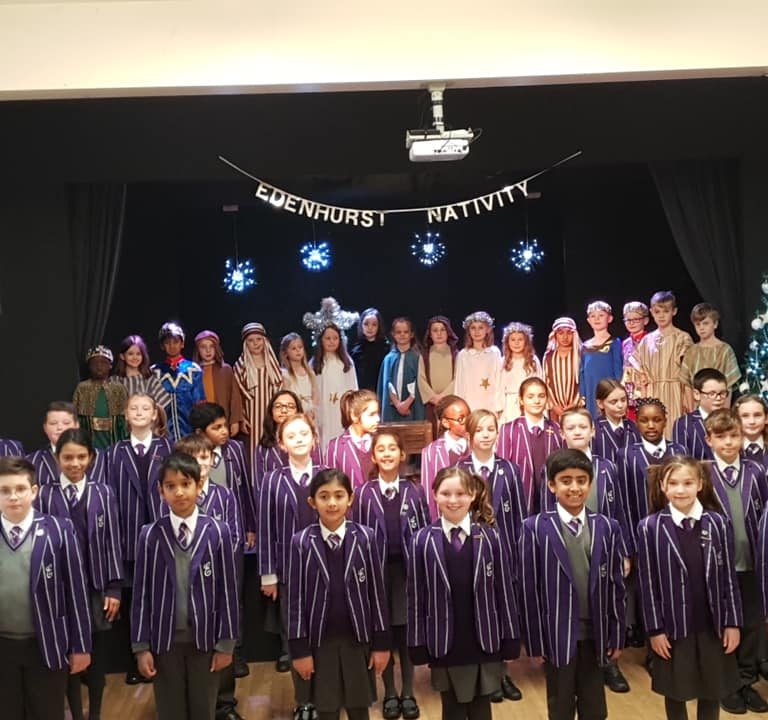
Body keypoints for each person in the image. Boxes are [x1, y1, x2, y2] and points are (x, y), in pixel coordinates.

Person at [131, 452, 239, 720]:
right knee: (170, 711)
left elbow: (228, 591)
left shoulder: (218, 531)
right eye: (170, 486)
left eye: (185, 484)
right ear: (160, 491)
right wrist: (141, 646)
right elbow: (141, 595)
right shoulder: (149, 535)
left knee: (203, 709)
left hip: (205, 640)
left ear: (199, 485)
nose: (179, 492)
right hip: (164, 643)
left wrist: (226, 644)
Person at [519, 448, 626, 720]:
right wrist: (534, 642)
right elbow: (529, 589)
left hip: (596, 631)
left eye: (581, 480)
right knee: (561, 703)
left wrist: (616, 633)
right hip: (557, 633)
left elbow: (616, 586)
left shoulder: (607, 526)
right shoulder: (534, 528)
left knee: (594, 705)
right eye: (566, 481)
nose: (575, 487)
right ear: (552, 485)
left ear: (590, 484)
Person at [408, 466, 520, 720]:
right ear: (434, 495)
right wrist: (416, 641)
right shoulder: (422, 540)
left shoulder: (491, 537)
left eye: (460, 493)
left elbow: (504, 590)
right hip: (445, 641)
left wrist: (511, 635)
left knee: (481, 707)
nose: (453, 500)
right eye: (446, 493)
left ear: (472, 495)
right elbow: (416, 596)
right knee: (453, 709)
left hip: (483, 637)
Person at [638, 456, 741, 720]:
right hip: (673, 630)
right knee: (676, 692)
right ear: (663, 486)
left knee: (711, 690)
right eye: (673, 483)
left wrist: (732, 623)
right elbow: (647, 584)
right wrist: (655, 630)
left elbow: (729, 576)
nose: (680, 490)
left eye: (687, 483)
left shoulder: (718, 523)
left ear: (700, 484)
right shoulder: (650, 527)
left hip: (713, 626)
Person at [542, 407, 633, 694]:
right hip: (567, 544)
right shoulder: (553, 466)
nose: (578, 431)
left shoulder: (607, 466)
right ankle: (565, 660)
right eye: (571, 427)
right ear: (563, 432)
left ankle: (609, 663)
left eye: (583, 426)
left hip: (603, 545)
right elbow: (544, 509)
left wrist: (624, 550)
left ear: (593, 430)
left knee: (606, 600)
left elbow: (620, 509)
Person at [288, 468, 391, 720]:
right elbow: (294, 601)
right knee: (326, 708)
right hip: (319, 643)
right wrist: (299, 650)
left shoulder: (366, 538)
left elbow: (377, 594)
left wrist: (382, 644)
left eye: (338, 495)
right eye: (324, 496)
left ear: (350, 498)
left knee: (359, 708)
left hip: (358, 640)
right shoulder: (301, 542)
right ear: (312, 502)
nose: (332, 503)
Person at [37, 429, 123, 720]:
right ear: (56, 458)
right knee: (68, 659)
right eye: (68, 457)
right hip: (59, 590)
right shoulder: (45, 494)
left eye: (81, 457)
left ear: (92, 457)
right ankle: (73, 711)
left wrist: (113, 589)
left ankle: (95, 714)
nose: (75, 463)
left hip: (95, 588)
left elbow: (113, 541)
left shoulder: (103, 492)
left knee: (96, 660)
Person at [0, 456, 92, 720]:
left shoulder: (59, 530)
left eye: (19, 489)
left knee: (47, 712)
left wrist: (81, 645)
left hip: (47, 643)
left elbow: (76, 591)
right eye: (5, 491)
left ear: (34, 491)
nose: (13, 497)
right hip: (3, 646)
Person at [353, 430, 430, 720]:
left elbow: (423, 533)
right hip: (376, 574)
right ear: (373, 456)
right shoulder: (362, 494)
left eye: (392, 449)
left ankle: (408, 691)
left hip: (406, 574)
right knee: (381, 632)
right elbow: (358, 536)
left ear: (402, 454)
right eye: (380, 449)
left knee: (405, 632)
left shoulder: (415, 491)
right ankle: (389, 692)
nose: (386, 454)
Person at [456, 409, 526, 703]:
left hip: (503, 551)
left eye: (491, 429)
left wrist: (518, 553)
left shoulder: (509, 469)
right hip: (472, 553)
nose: (486, 435)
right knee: (475, 612)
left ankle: (503, 672)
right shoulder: (459, 470)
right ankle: (483, 675)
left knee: (501, 611)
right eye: (480, 430)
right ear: (469, 435)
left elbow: (520, 515)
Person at [174, 433, 245, 720]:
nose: (200, 463)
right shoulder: (174, 497)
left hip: (216, 583)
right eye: (193, 458)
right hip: (182, 584)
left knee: (222, 641)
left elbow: (235, 536)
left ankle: (225, 703)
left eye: (205, 457)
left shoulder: (224, 495)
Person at [259, 414, 325, 715]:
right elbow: (267, 528)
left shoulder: (327, 475)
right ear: (282, 444)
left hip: (327, 569)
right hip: (289, 571)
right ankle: (304, 701)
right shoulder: (273, 479)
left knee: (325, 635)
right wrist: (268, 574)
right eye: (291, 436)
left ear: (314, 438)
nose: (299, 439)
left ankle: (326, 695)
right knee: (296, 637)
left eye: (304, 434)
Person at [703, 409, 768, 714]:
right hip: (717, 567)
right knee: (724, 625)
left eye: (734, 435)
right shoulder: (701, 475)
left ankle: (746, 679)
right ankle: (727, 684)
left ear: (742, 438)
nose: (728, 442)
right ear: (709, 440)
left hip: (752, 564)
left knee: (752, 624)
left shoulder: (756, 472)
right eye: (721, 436)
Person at [106, 391, 173, 685]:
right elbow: (109, 498)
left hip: (163, 538)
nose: (140, 411)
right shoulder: (114, 452)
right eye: (134, 407)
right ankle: (138, 658)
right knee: (135, 600)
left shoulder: (168, 448)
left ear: (155, 414)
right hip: (129, 538)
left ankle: (166, 656)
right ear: (125, 415)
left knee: (166, 596)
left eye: (146, 407)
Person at [616, 397, 686, 649]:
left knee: (675, 584)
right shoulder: (626, 454)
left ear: (665, 420)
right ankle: (650, 641)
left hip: (677, 533)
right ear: (637, 424)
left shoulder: (679, 451)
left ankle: (677, 635)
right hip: (642, 532)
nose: (651, 426)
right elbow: (622, 500)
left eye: (657, 420)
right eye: (644, 420)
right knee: (648, 585)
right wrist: (628, 541)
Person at [188, 402, 256, 553]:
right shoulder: (188, 453)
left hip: (233, 525)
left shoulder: (235, 449)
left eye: (224, 425)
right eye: (216, 428)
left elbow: (245, 488)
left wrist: (251, 527)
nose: (224, 431)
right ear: (200, 432)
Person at [630, 291, 694, 437]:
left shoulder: (682, 338)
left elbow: (688, 372)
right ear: (652, 312)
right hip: (653, 393)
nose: (661, 315)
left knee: (674, 431)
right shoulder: (647, 340)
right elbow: (639, 371)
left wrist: (687, 399)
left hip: (675, 392)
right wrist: (643, 397)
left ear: (674, 311)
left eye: (666, 311)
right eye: (657, 311)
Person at [497, 377, 564, 515]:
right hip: (520, 499)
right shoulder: (509, 429)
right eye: (530, 396)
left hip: (550, 498)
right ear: (521, 400)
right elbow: (503, 468)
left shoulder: (556, 428)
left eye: (541, 396)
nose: (536, 401)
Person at [233, 322, 283, 463]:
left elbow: (279, 388)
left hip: (272, 415)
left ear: (265, 341)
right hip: (252, 418)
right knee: (254, 454)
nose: (255, 343)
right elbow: (237, 395)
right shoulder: (240, 366)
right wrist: (241, 417)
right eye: (251, 340)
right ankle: (256, 484)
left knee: (274, 450)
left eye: (259, 339)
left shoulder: (273, 364)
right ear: (245, 344)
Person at [27, 401, 106, 485]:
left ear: (77, 425)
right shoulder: (31, 461)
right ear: (45, 428)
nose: (60, 427)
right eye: (53, 423)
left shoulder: (101, 457)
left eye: (66, 423)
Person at [679, 303, 741, 409]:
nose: (701, 328)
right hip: (697, 407)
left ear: (715, 324)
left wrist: (725, 411)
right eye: (698, 324)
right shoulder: (691, 352)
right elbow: (687, 385)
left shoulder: (725, 350)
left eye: (705, 323)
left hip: (719, 405)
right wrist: (691, 412)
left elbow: (729, 385)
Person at [151, 322, 205, 441]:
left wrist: (200, 427)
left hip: (189, 429)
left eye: (175, 342)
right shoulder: (155, 372)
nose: (172, 346)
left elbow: (199, 401)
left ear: (182, 344)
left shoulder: (193, 369)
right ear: (162, 346)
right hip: (163, 431)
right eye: (167, 343)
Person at [255, 390, 323, 486]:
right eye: (278, 406)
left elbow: (320, 474)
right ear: (271, 411)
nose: (284, 410)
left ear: (298, 411)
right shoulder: (263, 445)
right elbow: (260, 484)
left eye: (290, 406)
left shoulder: (308, 440)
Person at [420, 395, 471, 519]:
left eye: (469, 416)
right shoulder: (431, 452)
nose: (468, 422)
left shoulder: (475, 446)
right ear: (445, 422)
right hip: (443, 518)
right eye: (461, 419)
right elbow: (428, 492)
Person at [311, 323, 358, 451]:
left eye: (335, 338)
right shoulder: (315, 364)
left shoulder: (346, 363)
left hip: (341, 411)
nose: (332, 341)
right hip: (324, 411)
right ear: (321, 340)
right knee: (325, 440)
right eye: (328, 338)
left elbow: (353, 388)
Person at [72, 345, 128, 447]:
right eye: (94, 363)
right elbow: (75, 417)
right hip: (90, 441)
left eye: (103, 362)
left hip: (114, 441)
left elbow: (125, 420)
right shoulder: (82, 388)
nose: (99, 366)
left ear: (110, 365)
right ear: (89, 366)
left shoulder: (119, 388)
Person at [326, 390, 381, 489]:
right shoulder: (336, 447)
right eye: (372, 414)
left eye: (377, 413)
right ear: (354, 416)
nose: (378, 419)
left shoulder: (381, 442)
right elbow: (330, 485)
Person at [193, 330, 243, 438]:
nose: (208, 350)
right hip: (202, 421)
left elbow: (234, 396)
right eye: (203, 347)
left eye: (211, 346)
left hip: (222, 421)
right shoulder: (193, 371)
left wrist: (235, 421)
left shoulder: (225, 370)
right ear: (198, 350)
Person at [672, 368, 729, 460]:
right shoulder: (684, 424)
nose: (718, 398)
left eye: (722, 393)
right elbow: (681, 461)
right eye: (712, 393)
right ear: (697, 394)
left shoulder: (731, 420)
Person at [579, 302, 623, 420]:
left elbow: (618, 370)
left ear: (610, 318)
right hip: (590, 391)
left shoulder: (614, 343)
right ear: (588, 320)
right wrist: (582, 395)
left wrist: (616, 391)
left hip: (608, 390)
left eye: (601, 315)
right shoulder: (585, 346)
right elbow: (582, 372)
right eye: (593, 316)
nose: (597, 319)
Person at [454, 311, 503, 415]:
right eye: (473, 328)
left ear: (488, 330)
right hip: (470, 404)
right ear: (468, 331)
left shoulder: (494, 352)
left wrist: (499, 406)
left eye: (481, 327)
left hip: (490, 403)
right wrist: (459, 406)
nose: (477, 331)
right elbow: (459, 383)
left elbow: (499, 380)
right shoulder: (464, 355)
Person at [417, 315, 459, 436]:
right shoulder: (424, 355)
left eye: (442, 330)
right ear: (430, 334)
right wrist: (433, 397)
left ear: (448, 332)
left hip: (450, 401)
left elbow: (457, 377)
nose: (439, 333)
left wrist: (444, 396)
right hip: (432, 403)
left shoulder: (456, 354)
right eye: (435, 330)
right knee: (433, 433)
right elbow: (421, 379)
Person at [378, 318, 425, 422]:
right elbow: (387, 384)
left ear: (411, 334)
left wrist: (407, 403)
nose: (402, 335)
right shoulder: (389, 359)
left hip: (412, 408)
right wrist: (398, 404)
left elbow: (419, 383)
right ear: (393, 334)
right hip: (392, 409)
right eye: (398, 332)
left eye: (406, 332)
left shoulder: (417, 358)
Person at [112, 334, 171, 409]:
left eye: (138, 354)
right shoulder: (114, 381)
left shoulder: (150, 381)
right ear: (122, 356)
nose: (135, 357)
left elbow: (161, 408)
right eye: (130, 354)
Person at [500, 321, 542, 424]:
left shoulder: (533, 360)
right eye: (513, 340)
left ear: (526, 341)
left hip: (530, 402)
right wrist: (499, 408)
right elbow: (499, 386)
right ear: (507, 342)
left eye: (520, 339)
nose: (516, 343)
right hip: (509, 405)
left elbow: (540, 382)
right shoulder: (503, 361)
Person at [542, 317, 582, 424]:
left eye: (569, 333)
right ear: (555, 335)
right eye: (560, 333)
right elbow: (546, 382)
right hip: (556, 409)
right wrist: (554, 405)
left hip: (576, 407)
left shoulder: (579, 355)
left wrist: (574, 403)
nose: (565, 337)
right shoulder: (549, 356)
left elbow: (583, 380)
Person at [591, 379, 641, 464]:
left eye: (623, 400)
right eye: (613, 402)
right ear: (600, 404)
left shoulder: (634, 427)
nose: (620, 405)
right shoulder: (594, 430)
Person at [619, 301, 650, 421]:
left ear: (645, 320)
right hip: (629, 388)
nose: (631, 323)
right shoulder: (625, 343)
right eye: (628, 320)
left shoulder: (651, 340)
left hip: (644, 387)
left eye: (636, 319)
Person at [280, 332, 319, 421]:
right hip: (295, 414)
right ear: (286, 353)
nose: (298, 350)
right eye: (293, 348)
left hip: (310, 414)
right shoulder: (285, 374)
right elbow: (288, 397)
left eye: (300, 347)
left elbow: (315, 392)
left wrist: (313, 409)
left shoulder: (310, 372)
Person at [350, 308, 390, 392]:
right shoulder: (355, 351)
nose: (370, 328)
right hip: (361, 394)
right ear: (361, 325)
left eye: (374, 324)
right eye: (366, 324)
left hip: (381, 393)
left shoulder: (386, 349)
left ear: (379, 327)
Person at [733, 394, 768, 470]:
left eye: (757, 415)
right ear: (736, 419)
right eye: (745, 416)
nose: (752, 421)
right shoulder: (730, 449)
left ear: (766, 418)